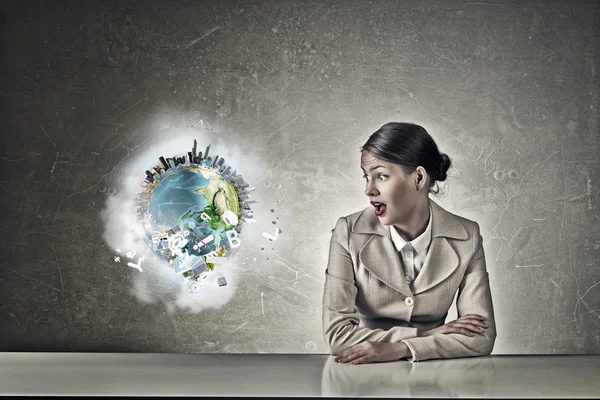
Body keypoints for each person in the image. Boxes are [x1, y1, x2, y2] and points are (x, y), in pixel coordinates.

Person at [322, 122, 496, 363]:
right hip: (363, 377)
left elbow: (481, 337)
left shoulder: (467, 235)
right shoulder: (348, 232)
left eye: (381, 176)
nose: (369, 190)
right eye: (366, 177)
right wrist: (426, 335)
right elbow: (338, 336)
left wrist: (402, 348)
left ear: (419, 178)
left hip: (436, 380)